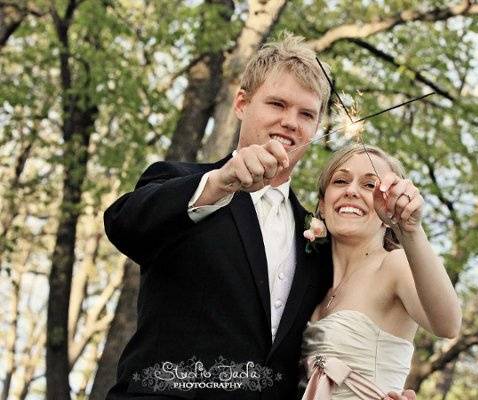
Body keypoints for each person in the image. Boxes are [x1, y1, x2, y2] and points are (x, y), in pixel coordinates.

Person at [104, 34, 416, 400]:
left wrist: (374, 391)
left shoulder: (318, 237)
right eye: (277, 104)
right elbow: (123, 226)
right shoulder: (182, 183)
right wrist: (220, 183)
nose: (290, 122)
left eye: (306, 114)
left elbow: (328, 349)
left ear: (317, 127)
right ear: (241, 103)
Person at [300, 144, 462, 399]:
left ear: (389, 207)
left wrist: (410, 230)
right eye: (341, 181)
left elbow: (448, 324)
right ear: (322, 203)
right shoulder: (309, 283)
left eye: (369, 185)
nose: (351, 191)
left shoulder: (393, 265)